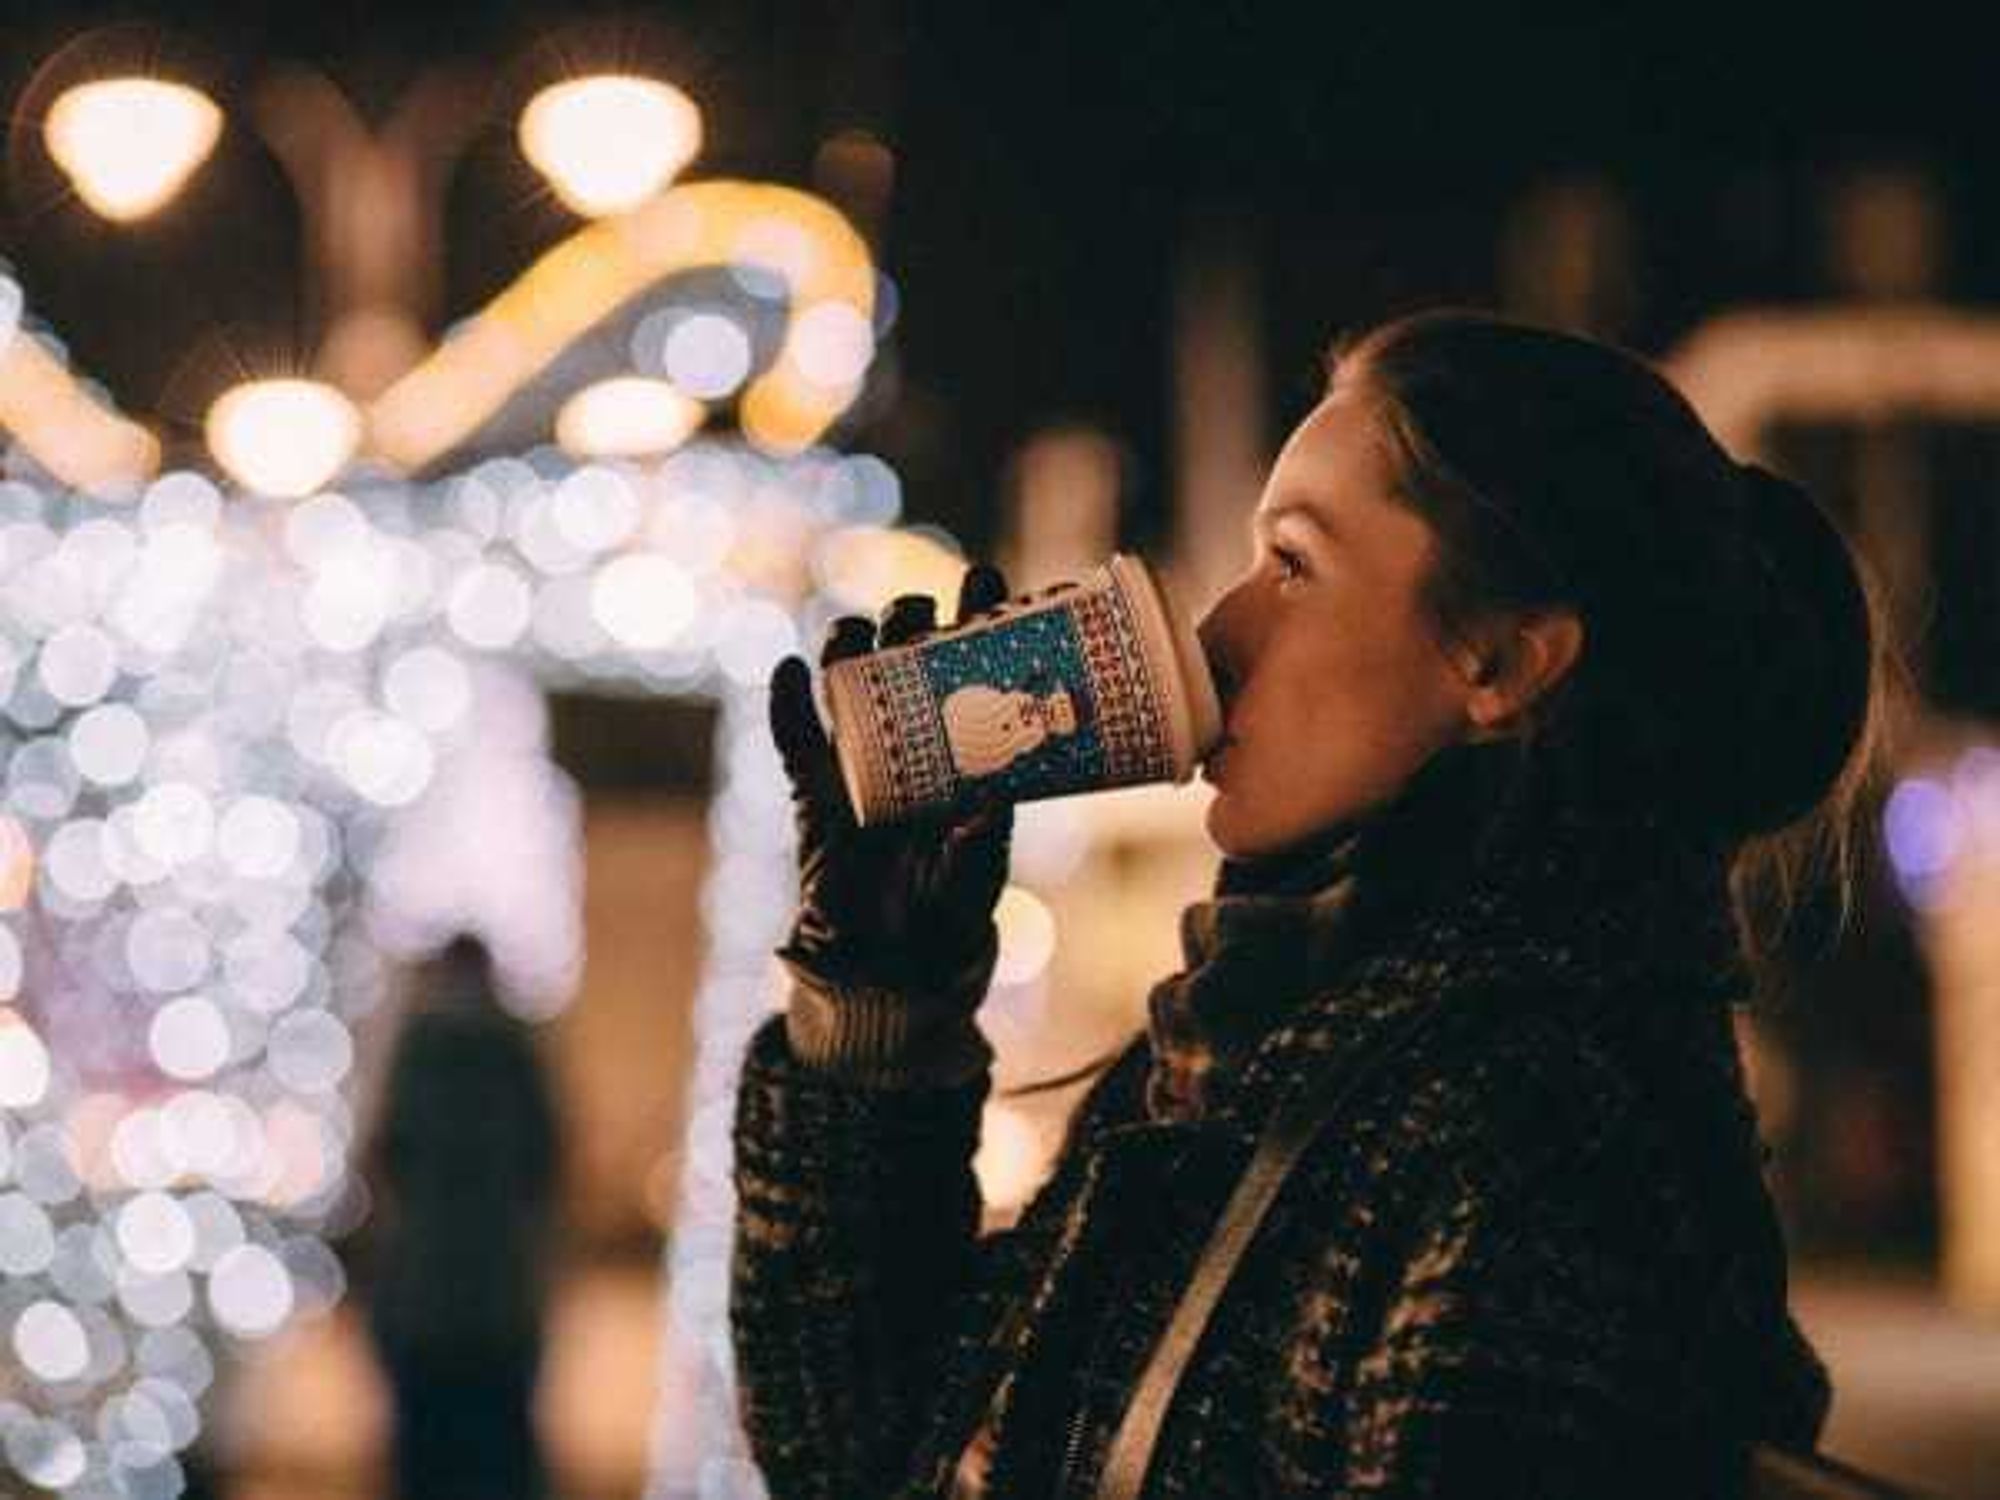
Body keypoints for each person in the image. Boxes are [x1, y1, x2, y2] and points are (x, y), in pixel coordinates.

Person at [731, 310, 1890, 1498]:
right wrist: (877, 998)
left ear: (1498, 662)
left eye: (1292, 564)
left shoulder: (1541, 1131)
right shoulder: (1243, 1051)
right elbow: (863, 1453)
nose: (1219, 632)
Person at [360, 933, 561, 1500]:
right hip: (490, 1296)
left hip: (437, 1295)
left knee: (431, 1449)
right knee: (493, 1447)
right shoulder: (512, 1050)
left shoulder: (421, 1049)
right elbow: (545, 1161)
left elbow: (386, 1154)